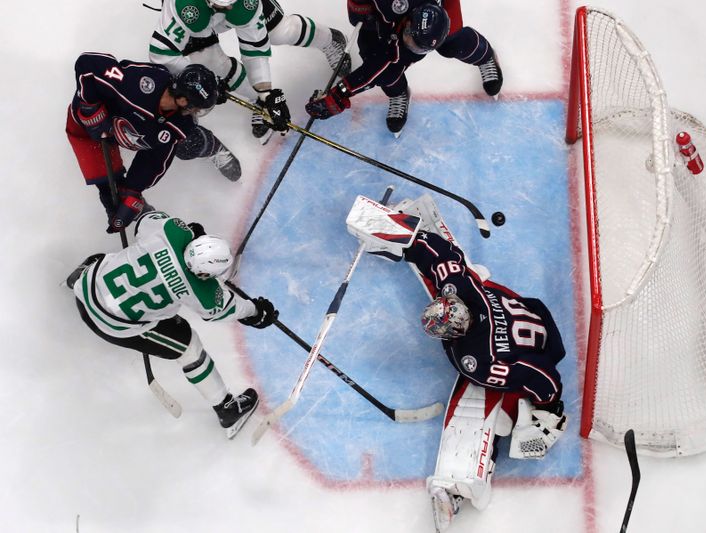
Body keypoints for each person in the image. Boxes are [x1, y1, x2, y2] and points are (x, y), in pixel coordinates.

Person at [346, 195, 566, 532]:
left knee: (480, 397)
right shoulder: (463, 289)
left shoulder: (478, 360)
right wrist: (389, 229)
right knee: (466, 273)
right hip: (526, 309)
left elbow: (537, 374)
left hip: (536, 350)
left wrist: (549, 404)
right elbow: (437, 252)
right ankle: (407, 220)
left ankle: (458, 484)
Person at [66, 210, 278, 439]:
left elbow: (142, 221)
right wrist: (257, 311)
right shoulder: (203, 292)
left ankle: (76, 276)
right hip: (108, 322)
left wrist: (189, 230)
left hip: (86, 286)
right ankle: (226, 408)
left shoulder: (171, 230)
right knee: (188, 347)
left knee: (108, 261)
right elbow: (231, 309)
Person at [67, 52, 242, 234]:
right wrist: (89, 106)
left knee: (188, 142)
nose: (196, 112)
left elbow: (154, 160)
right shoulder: (135, 84)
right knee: (112, 194)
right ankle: (145, 219)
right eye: (196, 107)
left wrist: (133, 189)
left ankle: (213, 148)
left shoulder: (180, 123)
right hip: (89, 129)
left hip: (135, 131)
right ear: (183, 100)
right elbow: (87, 64)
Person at [148, 0, 350, 143]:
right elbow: (161, 53)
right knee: (210, 64)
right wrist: (200, 79)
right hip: (198, 15)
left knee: (281, 32)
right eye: (222, 3)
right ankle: (256, 100)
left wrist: (266, 92)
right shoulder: (182, 6)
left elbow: (254, 50)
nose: (227, 7)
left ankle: (330, 40)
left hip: (220, 8)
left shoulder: (244, 3)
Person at [305, 0, 503, 136]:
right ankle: (398, 92)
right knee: (377, 56)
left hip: (425, 7)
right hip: (388, 12)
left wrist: (341, 93)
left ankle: (485, 57)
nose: (414, 49)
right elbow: (383, 62)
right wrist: (360, 9)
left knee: (451, 38)